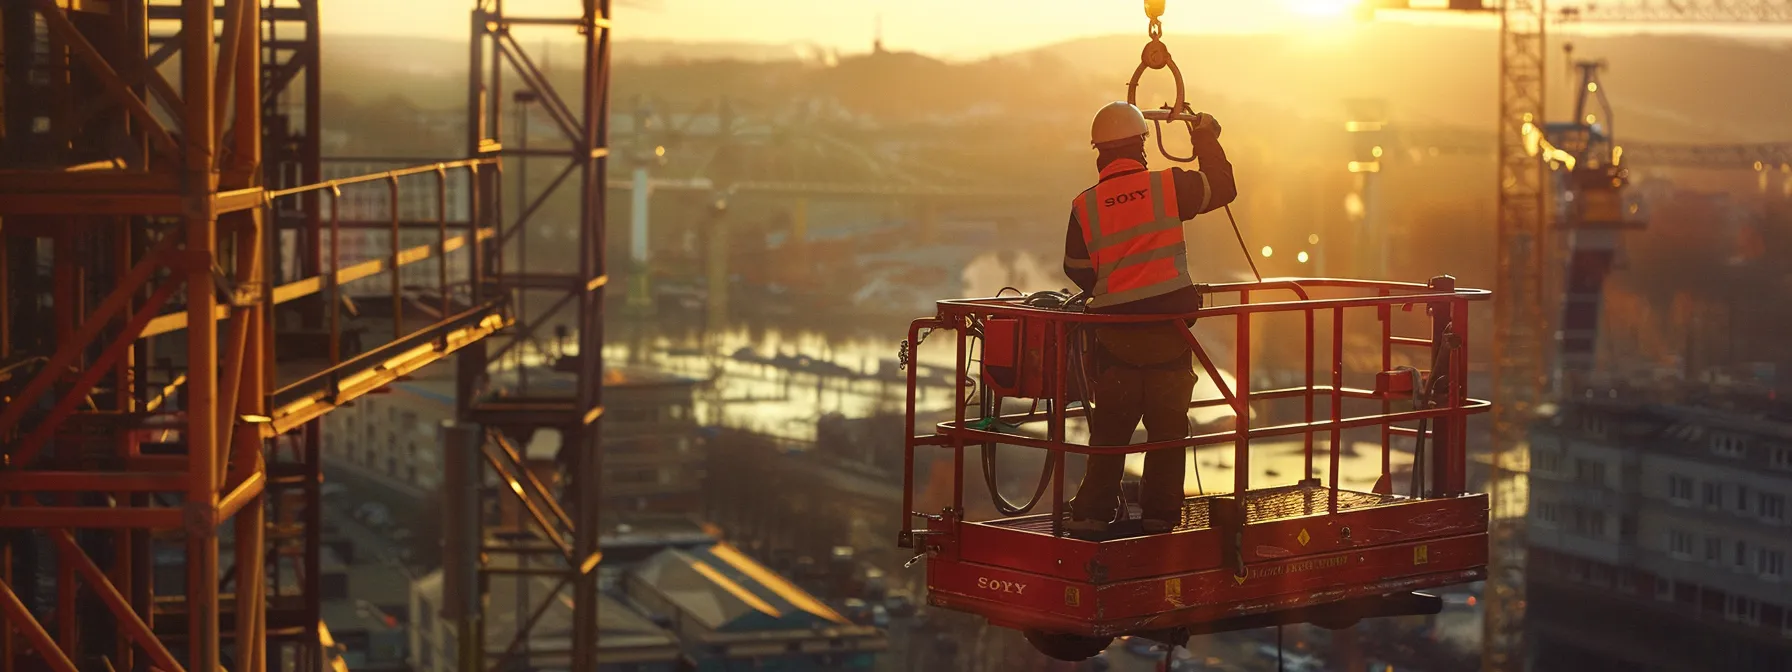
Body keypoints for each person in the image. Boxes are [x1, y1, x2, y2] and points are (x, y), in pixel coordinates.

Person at [1061, 101, 1237, 535]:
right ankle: (1160, 514)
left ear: (1099, 152)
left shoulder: (1085, 206)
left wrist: (1114, 286)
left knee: (1109, 432)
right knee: (1168, 431)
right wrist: (1205, 136)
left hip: (1116, 339)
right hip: (1170, 334)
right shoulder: (1167, 188)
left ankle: (1090, 514)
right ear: (1141, 145)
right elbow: (1222, 186)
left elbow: (1076, 268)